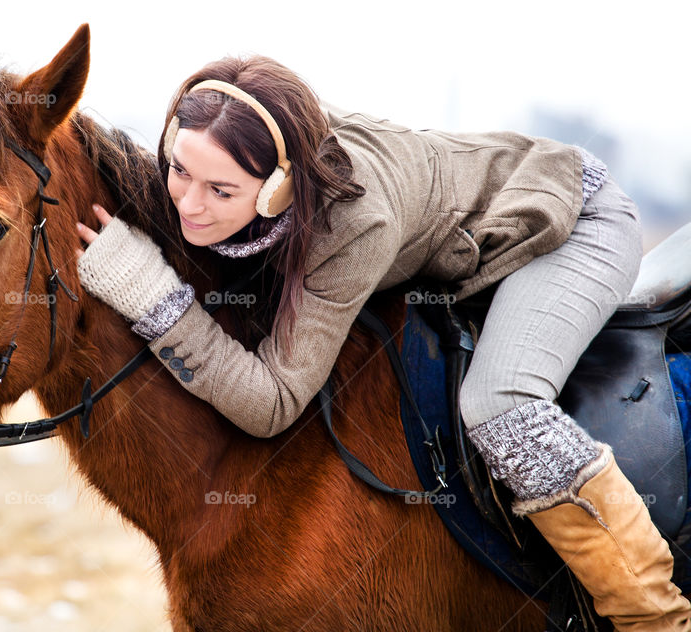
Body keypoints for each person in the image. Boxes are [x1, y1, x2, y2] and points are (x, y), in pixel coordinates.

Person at [73, 54, 690, 630]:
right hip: (468, 222)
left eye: (220, 192)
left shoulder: (355, 225)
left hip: (571, 223)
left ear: (277, 190)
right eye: (180, 170)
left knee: (503, 408)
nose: (188, 203)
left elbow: (271, 405)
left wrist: (154, 296)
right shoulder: (236, 150)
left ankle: (653, 612)